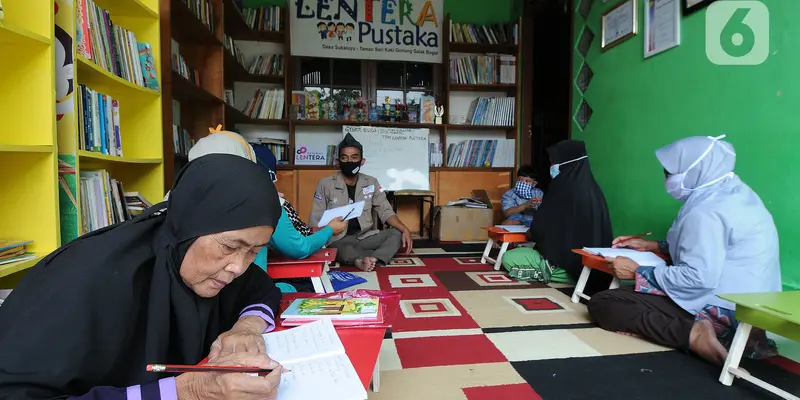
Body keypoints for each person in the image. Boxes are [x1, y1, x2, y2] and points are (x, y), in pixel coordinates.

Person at [0, 155, 287, 399]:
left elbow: (260, 290)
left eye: (253, 251)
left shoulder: (202, 261)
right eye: (229, 246)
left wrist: (246, 328)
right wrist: (191, 390)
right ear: (189, 226)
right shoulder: (86, 285)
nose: (238, 267)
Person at [587, 135, 782, 365]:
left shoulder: (705, 211)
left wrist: (638, 272)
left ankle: (693, 335)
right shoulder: (734, 192)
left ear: (696, 170)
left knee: (605, 303)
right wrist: (655, 245)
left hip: (726, 310)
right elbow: (715, 244)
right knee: (643, 294)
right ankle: (688, 330)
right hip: (759, 309)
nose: (666, 178)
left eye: (670, 173)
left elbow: (698, 277)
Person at [165, 127, 346, 268]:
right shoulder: (263, 204)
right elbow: (299, 248)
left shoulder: (170, 201)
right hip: (247, 298)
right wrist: (329, 230)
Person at [501, 140, 612, 290]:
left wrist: (531, 233)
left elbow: (538, 231)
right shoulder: (594, 190)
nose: (552, 167)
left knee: (509, 258)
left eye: (554, 162)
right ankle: (585, 274)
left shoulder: (560, 189)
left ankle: (562, 274)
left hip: (568, 263)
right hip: (597, 265)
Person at [310, 133, 413, 272]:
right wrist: (317, 245)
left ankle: (373, 258)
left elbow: (385, 210)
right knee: (339, 249)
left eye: (354, 157)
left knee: (396, 233)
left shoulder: (371, 182)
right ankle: (360, 260)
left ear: (362, 161)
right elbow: (316, 220)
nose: (349, 161)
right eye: (344, 158)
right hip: (339, 239)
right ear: (338, 161)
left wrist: (404, 229)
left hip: (365, 237)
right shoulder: (325, 184)